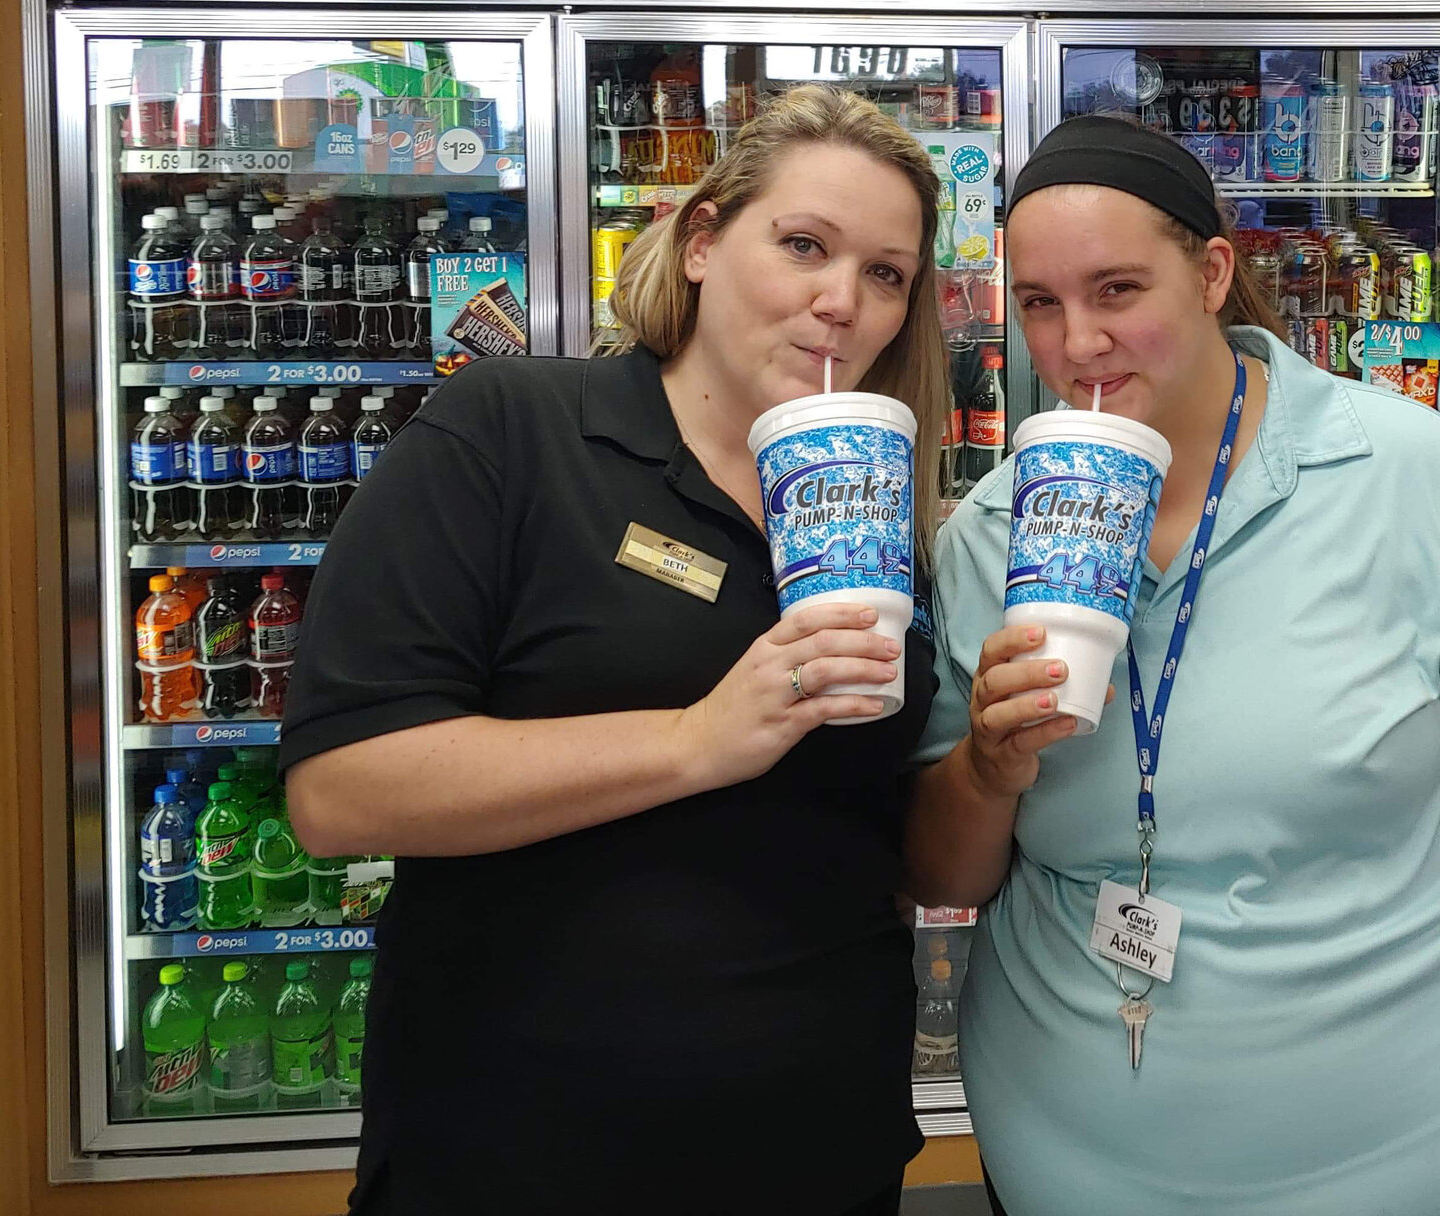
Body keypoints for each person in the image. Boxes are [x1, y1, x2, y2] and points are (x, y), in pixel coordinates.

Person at [908, 116, 1440, 1216]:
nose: (1077, 341)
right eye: (1039, 301)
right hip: (1075, 1165)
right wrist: (989, 764)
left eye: (1117, 289)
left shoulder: (1411, 475)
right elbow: (945, 877)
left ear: (1212, 271)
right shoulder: (993, 532)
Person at [283, 85, 948, 1215]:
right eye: (802, 245)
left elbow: (891, 836)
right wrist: (695, 741)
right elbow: (340, 789)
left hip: (817, 1143)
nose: (841, 299)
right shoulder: (511, 431)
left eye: (885, 273)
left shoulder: (878, 505)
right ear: (700, 240)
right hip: (523, 1150)